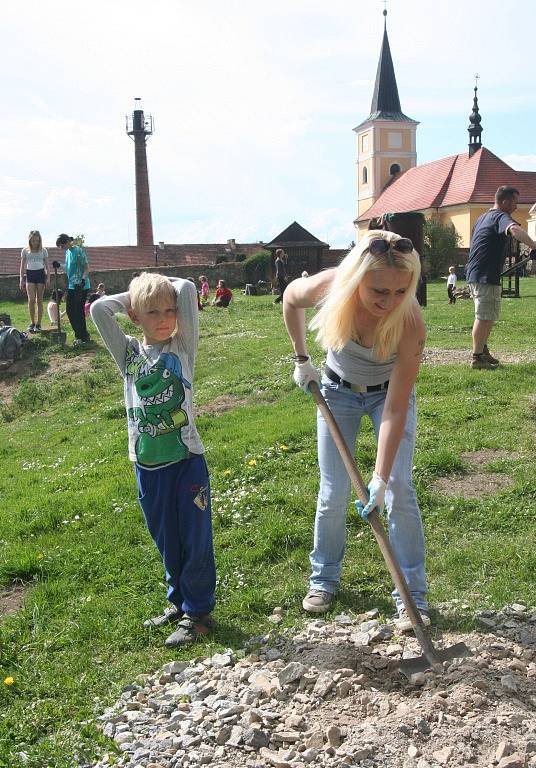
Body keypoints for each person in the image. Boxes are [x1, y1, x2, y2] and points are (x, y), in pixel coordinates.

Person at [283, 231, 429, 632]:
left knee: (399, 489)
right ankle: (323, 580)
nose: (389, 302)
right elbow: (290, 299)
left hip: (386, 397)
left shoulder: (410, 321)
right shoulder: (331, 287)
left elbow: (397, 406)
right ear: (356, 279)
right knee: (334, 492)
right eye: (379, 290)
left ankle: (412, 596)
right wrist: (301, 359)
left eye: (401, 291)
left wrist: (380, 477)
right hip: (337, 392)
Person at [90, 272, 216, 647]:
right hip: (146, 465)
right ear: (134, 316)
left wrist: (158, 285)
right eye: (153, 312)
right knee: (166, 539)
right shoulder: (128, 353)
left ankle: (199, 613)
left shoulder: (182, 346)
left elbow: (189, 289)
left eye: (169, 310)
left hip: (186, 462)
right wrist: (134, 293)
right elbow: (98, 309)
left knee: (195, 538)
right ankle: (178, 602)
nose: (164, 319)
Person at [466, 186, 536, 369]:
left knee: (488, 315)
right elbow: (515, 231)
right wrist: (535, 246)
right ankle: (477, 357)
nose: (516, 206)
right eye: (514, 202)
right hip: (485, 274)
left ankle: (482, 349)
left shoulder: (482, 217)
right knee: (484, 316)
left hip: (478, 272)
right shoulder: (500, 217)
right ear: (504, 201)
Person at [55, 234, 91, 346]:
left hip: (81, 286)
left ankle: (82, 337)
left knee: (78, 312)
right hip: (72, 286)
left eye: (61, 246)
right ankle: (81, 335)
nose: (61, 248)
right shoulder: (68, 252)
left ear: (66, 242)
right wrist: (59, 265)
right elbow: (68, 267)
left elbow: (86, 268)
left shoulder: (78, 251)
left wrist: (83, 280)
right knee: (70, 311)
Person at [20, 230, 49, 332]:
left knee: (39, 300)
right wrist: (21, 279)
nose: (35, 242)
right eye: (33, 240)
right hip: (30, 275)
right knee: (31, 300)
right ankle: (32, 323)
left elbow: (47, 266)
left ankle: (39, 324)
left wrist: (48, 278)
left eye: (37, 240)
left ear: (40, 240)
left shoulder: (44, 250)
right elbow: (22, 266)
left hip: (40, 274)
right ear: (30, 240)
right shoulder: (25, 250)